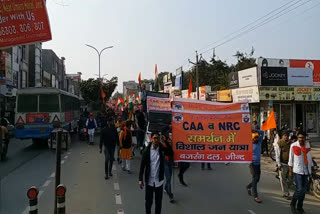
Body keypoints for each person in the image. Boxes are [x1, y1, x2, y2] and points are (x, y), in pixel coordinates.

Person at [139, 132, 170, 214]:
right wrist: (140, 179)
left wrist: (165, 141)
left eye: (158, 138)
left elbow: (171, 153)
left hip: (159, 182)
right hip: (149, 181)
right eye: (155, 138)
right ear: (151, 139)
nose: (156, 140)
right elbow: (142, 166)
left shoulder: (161, 149)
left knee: (158, 203)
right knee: (148, 202)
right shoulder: (146, 151)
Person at [289, 131, 314, 213]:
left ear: (305, 138)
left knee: (303, 191)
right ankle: (293, 203)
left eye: (302, 138)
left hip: (306, 171)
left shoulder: (307, 145)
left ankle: (300, 207)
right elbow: (290, 159)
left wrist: (312, 167)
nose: (301, 139)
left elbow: (309, 157)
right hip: (297, 170)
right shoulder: (293, 145)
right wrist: (290, 171)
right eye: (299, 138)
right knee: (299, 189)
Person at [246, 130, 264, 203]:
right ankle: (256, 196)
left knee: (257, 179)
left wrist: (255, 130)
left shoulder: (259, 142)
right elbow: (247, 156)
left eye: (257, 137)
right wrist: (250, 167)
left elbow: (262, 133)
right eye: (255, 138)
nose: (256, 138)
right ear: (252, 139)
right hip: (253, 164)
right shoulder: (250, 145)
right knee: (255, 179)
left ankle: (248, 187)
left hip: (258, 163)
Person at [275, 132, 292, 200]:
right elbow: (277, 154)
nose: (286, 137)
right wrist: (278, 164)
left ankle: (286, 189)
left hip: (290, 164)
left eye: (287, 136)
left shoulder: (290, 143)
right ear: (282, 136)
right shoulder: (279, 143)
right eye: (285, 135)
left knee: (291, 179)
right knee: (283, 178)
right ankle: (286, 193)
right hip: (283, 164)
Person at [161, 131, 174, 203]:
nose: (167, 135)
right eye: (166, 134)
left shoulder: (171, 141)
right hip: (165, 161)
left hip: (170, 161)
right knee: (168, 178)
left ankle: (166, 187)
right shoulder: (162, 142)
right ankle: (170, 195)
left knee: (170, 177)